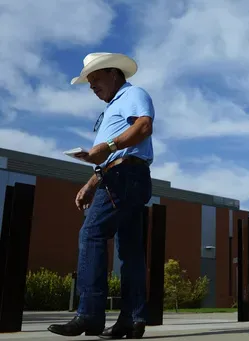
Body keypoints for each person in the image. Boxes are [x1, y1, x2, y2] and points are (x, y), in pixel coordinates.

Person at [48, 52, 155, 339]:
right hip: (123, 176)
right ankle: (132, 320)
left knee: (91, 234)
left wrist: (105, 147)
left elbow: (144, 126)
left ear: (114, 74)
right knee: (130, 252)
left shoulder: (132, 94)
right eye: (89, 82)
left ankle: (90, 314)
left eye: (96, 79)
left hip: (125, 178)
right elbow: (115, 156)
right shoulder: (111, 110)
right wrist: (91, 184)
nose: (92, 86)